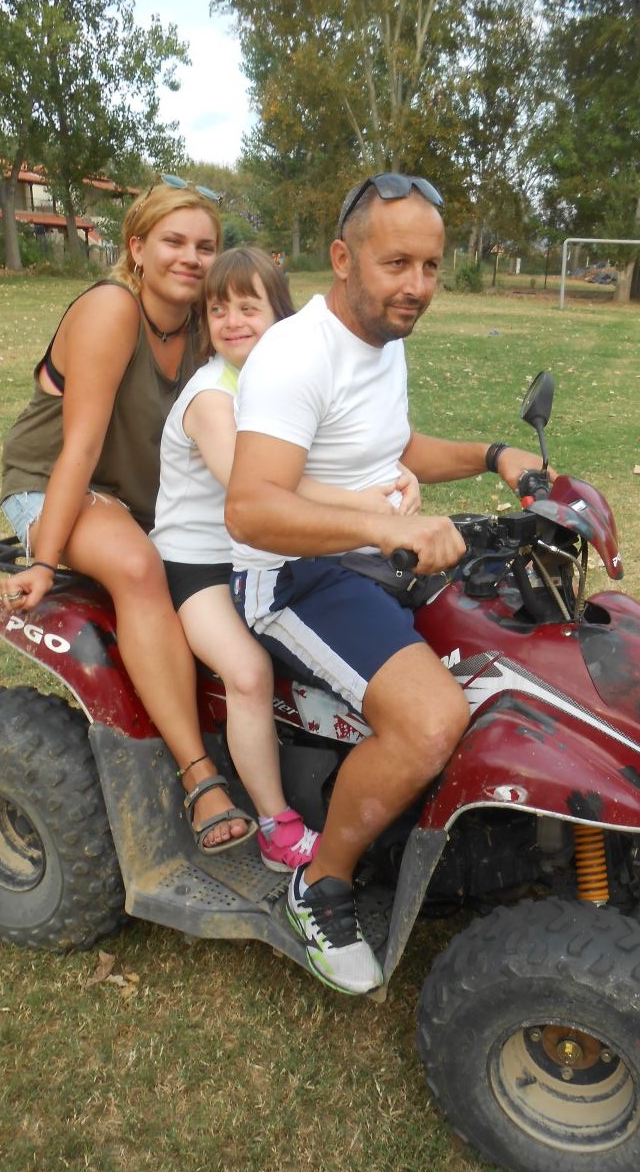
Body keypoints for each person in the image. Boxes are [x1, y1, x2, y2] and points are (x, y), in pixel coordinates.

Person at [225, 172, 547, 993]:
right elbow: (252, 510)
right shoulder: (295, 354)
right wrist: (388, 528)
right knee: (432, 719)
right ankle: (319, 884)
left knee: (521, 648)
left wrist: (493, 456)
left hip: (368, 552)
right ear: (343, 259)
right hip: (292, 574)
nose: (418, 286)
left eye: (431, 266)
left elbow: (392, 447)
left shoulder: (382, 338)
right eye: (397, 263)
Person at [0, 178, 257, 856]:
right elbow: (80, 447)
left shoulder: (208, 325)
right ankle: (199, 775)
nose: (191, 258)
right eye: (174, 241)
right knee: (139, 567)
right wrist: (44, 560)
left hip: (144, 498)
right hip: (56, 483)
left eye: (206, 246)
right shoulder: (111, 309)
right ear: (136, 248)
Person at [150, 245, 421, 870]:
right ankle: (277, 825)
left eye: (249, 307)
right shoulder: (212, 397)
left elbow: (342, 454)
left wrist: (395, 475)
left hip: (265, 551)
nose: (232, 321)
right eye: (218, 309)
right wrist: (367, 507)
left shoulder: (279, 380)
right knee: (248, 673)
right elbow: (258, 488)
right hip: (202, 564)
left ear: (282, 316)